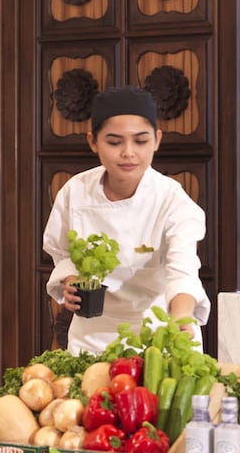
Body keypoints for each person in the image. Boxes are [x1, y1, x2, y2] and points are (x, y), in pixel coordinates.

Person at [43, 85, 210, 355]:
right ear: (93, 142)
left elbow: (183, 270)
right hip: (92, 336)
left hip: (157, 335)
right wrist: (70, 280)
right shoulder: (75, 191)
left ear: (156, 140)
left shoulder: (172, 200)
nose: (128, 152)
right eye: (114, 142)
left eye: (140, 141)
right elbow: (62, 253)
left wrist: (182, 318)